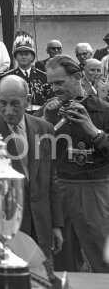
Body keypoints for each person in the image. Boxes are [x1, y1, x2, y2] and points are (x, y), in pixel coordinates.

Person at [0, 75, 64, 259]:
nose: (8, 110)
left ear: (28, 101)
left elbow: (52, 179)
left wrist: (56, 224)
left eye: (14, 103)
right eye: (2, 103)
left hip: (39, 230)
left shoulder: (45, 129)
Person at [38, 54, 109, 273]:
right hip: (60, 190)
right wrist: (45, 123)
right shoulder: (48, 111)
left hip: (94, 191)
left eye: (60, 82)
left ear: (78, 77)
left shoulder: (103, 110)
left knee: (102, 259)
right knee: (64, 261)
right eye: (51, 84)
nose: (55, 89)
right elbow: (31, 153)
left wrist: (94, 131)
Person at [1, 31, 52, 111]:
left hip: (39, 118)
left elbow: (50, 101)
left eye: (27, 54)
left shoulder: (44, 76)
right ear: (16, 57)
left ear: (32, 57)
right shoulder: (7, 77)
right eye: (20, 54)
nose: (23, 57)